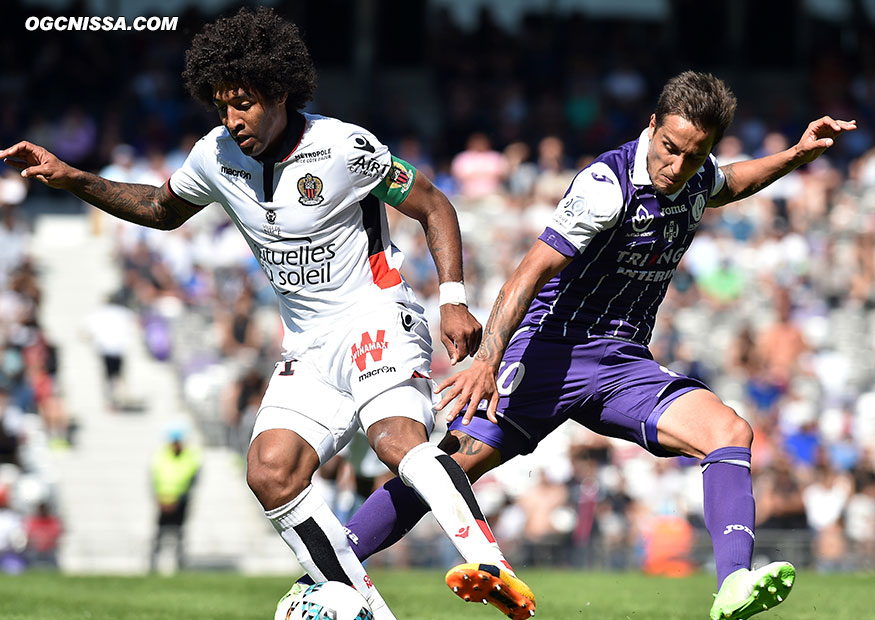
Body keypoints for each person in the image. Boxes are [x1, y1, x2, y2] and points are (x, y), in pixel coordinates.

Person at [0, 8, 534, 620]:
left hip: (376, 314)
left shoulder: (345, 147)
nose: (233, 119)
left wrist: (454, 299)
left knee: (395, 441)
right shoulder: (216, 155)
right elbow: (159, 207)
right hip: (307, 344)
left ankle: (489, 563)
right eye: (223, 105)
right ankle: (364, 609)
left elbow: (434, 205)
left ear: (279, 92)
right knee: (270, 473)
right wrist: (73, 179)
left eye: (245, 104)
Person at [340, 71, 856, 620]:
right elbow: (527, 274)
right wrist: (488, 361)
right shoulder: (605, 187)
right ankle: (332, 561)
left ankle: (733, 584)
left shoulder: (694, 174)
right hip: (549, 354)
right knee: (453, 468)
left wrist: (797, 155)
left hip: (623, 364)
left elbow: (731, 182)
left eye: (694, 154)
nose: (676, 167)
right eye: (669, 148)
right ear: (651, 125)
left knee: (729, 433)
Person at [150, 425, 201, 573]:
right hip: (163, 501)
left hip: (180, 501)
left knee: (179, 533)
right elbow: (155, 478)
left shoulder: (190, 457)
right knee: (159, 533)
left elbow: (192, 479)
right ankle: (153, 562)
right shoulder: (161, 455)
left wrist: (180, 498)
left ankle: (179, 563)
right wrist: (159, 498)